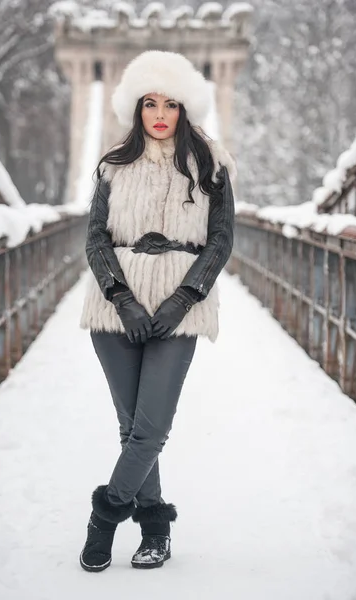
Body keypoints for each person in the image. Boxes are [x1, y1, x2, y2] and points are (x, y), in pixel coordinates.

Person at [79, 50, 236, 572]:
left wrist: (183, 299)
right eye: (150, 102)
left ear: (186, 108)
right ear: (136, 108)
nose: (160, 113)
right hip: (113, 308)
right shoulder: (111, 167)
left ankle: (104, 517)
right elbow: (96, 238)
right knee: (131, 429)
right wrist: (120, 298)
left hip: (179, 306)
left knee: (150, 427)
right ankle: (154, 531)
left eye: (171, 103)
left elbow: (220, 241)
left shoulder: (211, 168)